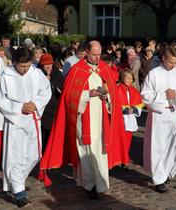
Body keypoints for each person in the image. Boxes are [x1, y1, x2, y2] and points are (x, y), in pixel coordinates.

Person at [39, 40, 127, 200]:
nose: (97, 58)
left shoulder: (105, 68)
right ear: (86, 52)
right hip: (83, 117)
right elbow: (68, 97)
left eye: (99, 55)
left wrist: (107, 96)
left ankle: (100, 183)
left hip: (101, 118)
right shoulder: (76, 70)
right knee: (86, 150)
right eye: (94, 55)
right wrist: (88, 94)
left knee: (100, 150)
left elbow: (113, 93)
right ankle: (90, 185)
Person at [0, 47, 51, 207]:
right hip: (14, 121)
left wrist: (36, 104)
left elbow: (45, 92)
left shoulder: (36, 73)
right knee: (15, 155)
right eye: (22, 66)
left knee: (34, 154)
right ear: (15, 63)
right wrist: (19, 107)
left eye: (28, 65)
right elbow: (0, 99)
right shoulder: (6, 74)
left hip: (32, 119)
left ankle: (18, 180)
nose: (25, 69)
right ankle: (19, 191)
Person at [141, 46, 176, 193]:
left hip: (174, 113)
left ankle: (168, 171)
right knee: (159, 147)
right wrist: (163, 95)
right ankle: (159, 179)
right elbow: (145, 95)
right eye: (171, 62)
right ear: (163, 59)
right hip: (159, 115)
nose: (173, 65)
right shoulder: (154, 74)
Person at [38, 53, 64, 154]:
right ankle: (41, 154)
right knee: (42, 133)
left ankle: (50, 154)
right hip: (43, 109)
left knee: (52, 133)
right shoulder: (38, 73)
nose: (48, 66)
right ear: (41, 65)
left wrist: (52, 83)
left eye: (50, 64)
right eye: (46, 64)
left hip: (54, 109)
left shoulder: (57, 73)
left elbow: (62, 89)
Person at [117, 68, 143, 165]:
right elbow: (115, 103)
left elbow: (139, 105)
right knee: (120, 141)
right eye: (127, 78)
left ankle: (124, 159)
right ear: (122, 78)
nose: (130, 80)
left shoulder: (134, 91)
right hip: (121, 119)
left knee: (128, 141)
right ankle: (120, 158)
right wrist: (124, 109)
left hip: (130, 119)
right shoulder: (117, 89)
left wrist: (135, 109)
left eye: (131, 78)